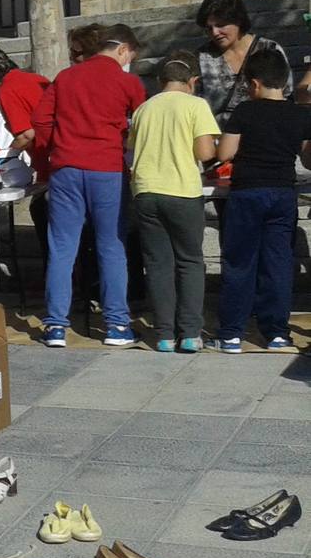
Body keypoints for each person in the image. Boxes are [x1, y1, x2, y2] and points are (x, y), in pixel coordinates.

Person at [33, 24, 147, 348]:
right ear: (123, 50)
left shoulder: (66, 77)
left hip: (66, 168)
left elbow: (41, 119)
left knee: (62, 247)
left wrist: (54, 150)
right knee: (111, 245)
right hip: (108, 168)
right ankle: (117, 325)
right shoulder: (128, 81)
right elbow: (142, 121)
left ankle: (55, 326)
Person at [209, 51, 311, 353]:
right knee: (278, 264)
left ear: (254, 83)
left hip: (247, 193)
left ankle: (231, 333)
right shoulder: (300, 114)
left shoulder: (245, 111)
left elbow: (224, 153)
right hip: (282, 193)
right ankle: (277, 332)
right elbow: (307, 156)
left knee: (240, 262)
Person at [128, 51, 219, 354]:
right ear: (193, 81)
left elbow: (132, 147)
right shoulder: (196, 105)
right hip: (182, 190)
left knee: (157, 264)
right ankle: (191, 333)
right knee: (190, 261)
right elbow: (206, 152)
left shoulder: (143, 109)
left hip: (145, 191)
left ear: (160, 81)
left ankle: (164, 334)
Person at [0, 48, 51, 261]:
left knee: (44, 218)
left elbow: (26, 134)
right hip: (64, 158)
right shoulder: (36, 79)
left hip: (50, 163)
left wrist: (7, 155)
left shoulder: (8, 90)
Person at [195, 0, 293, 124]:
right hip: (218, 138)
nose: (215, 32)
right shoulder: (201, 58)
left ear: (238, 20)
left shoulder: (269, 49)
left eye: (221, 25)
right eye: (209, 28)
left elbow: (286, 94)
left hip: (262, 134)